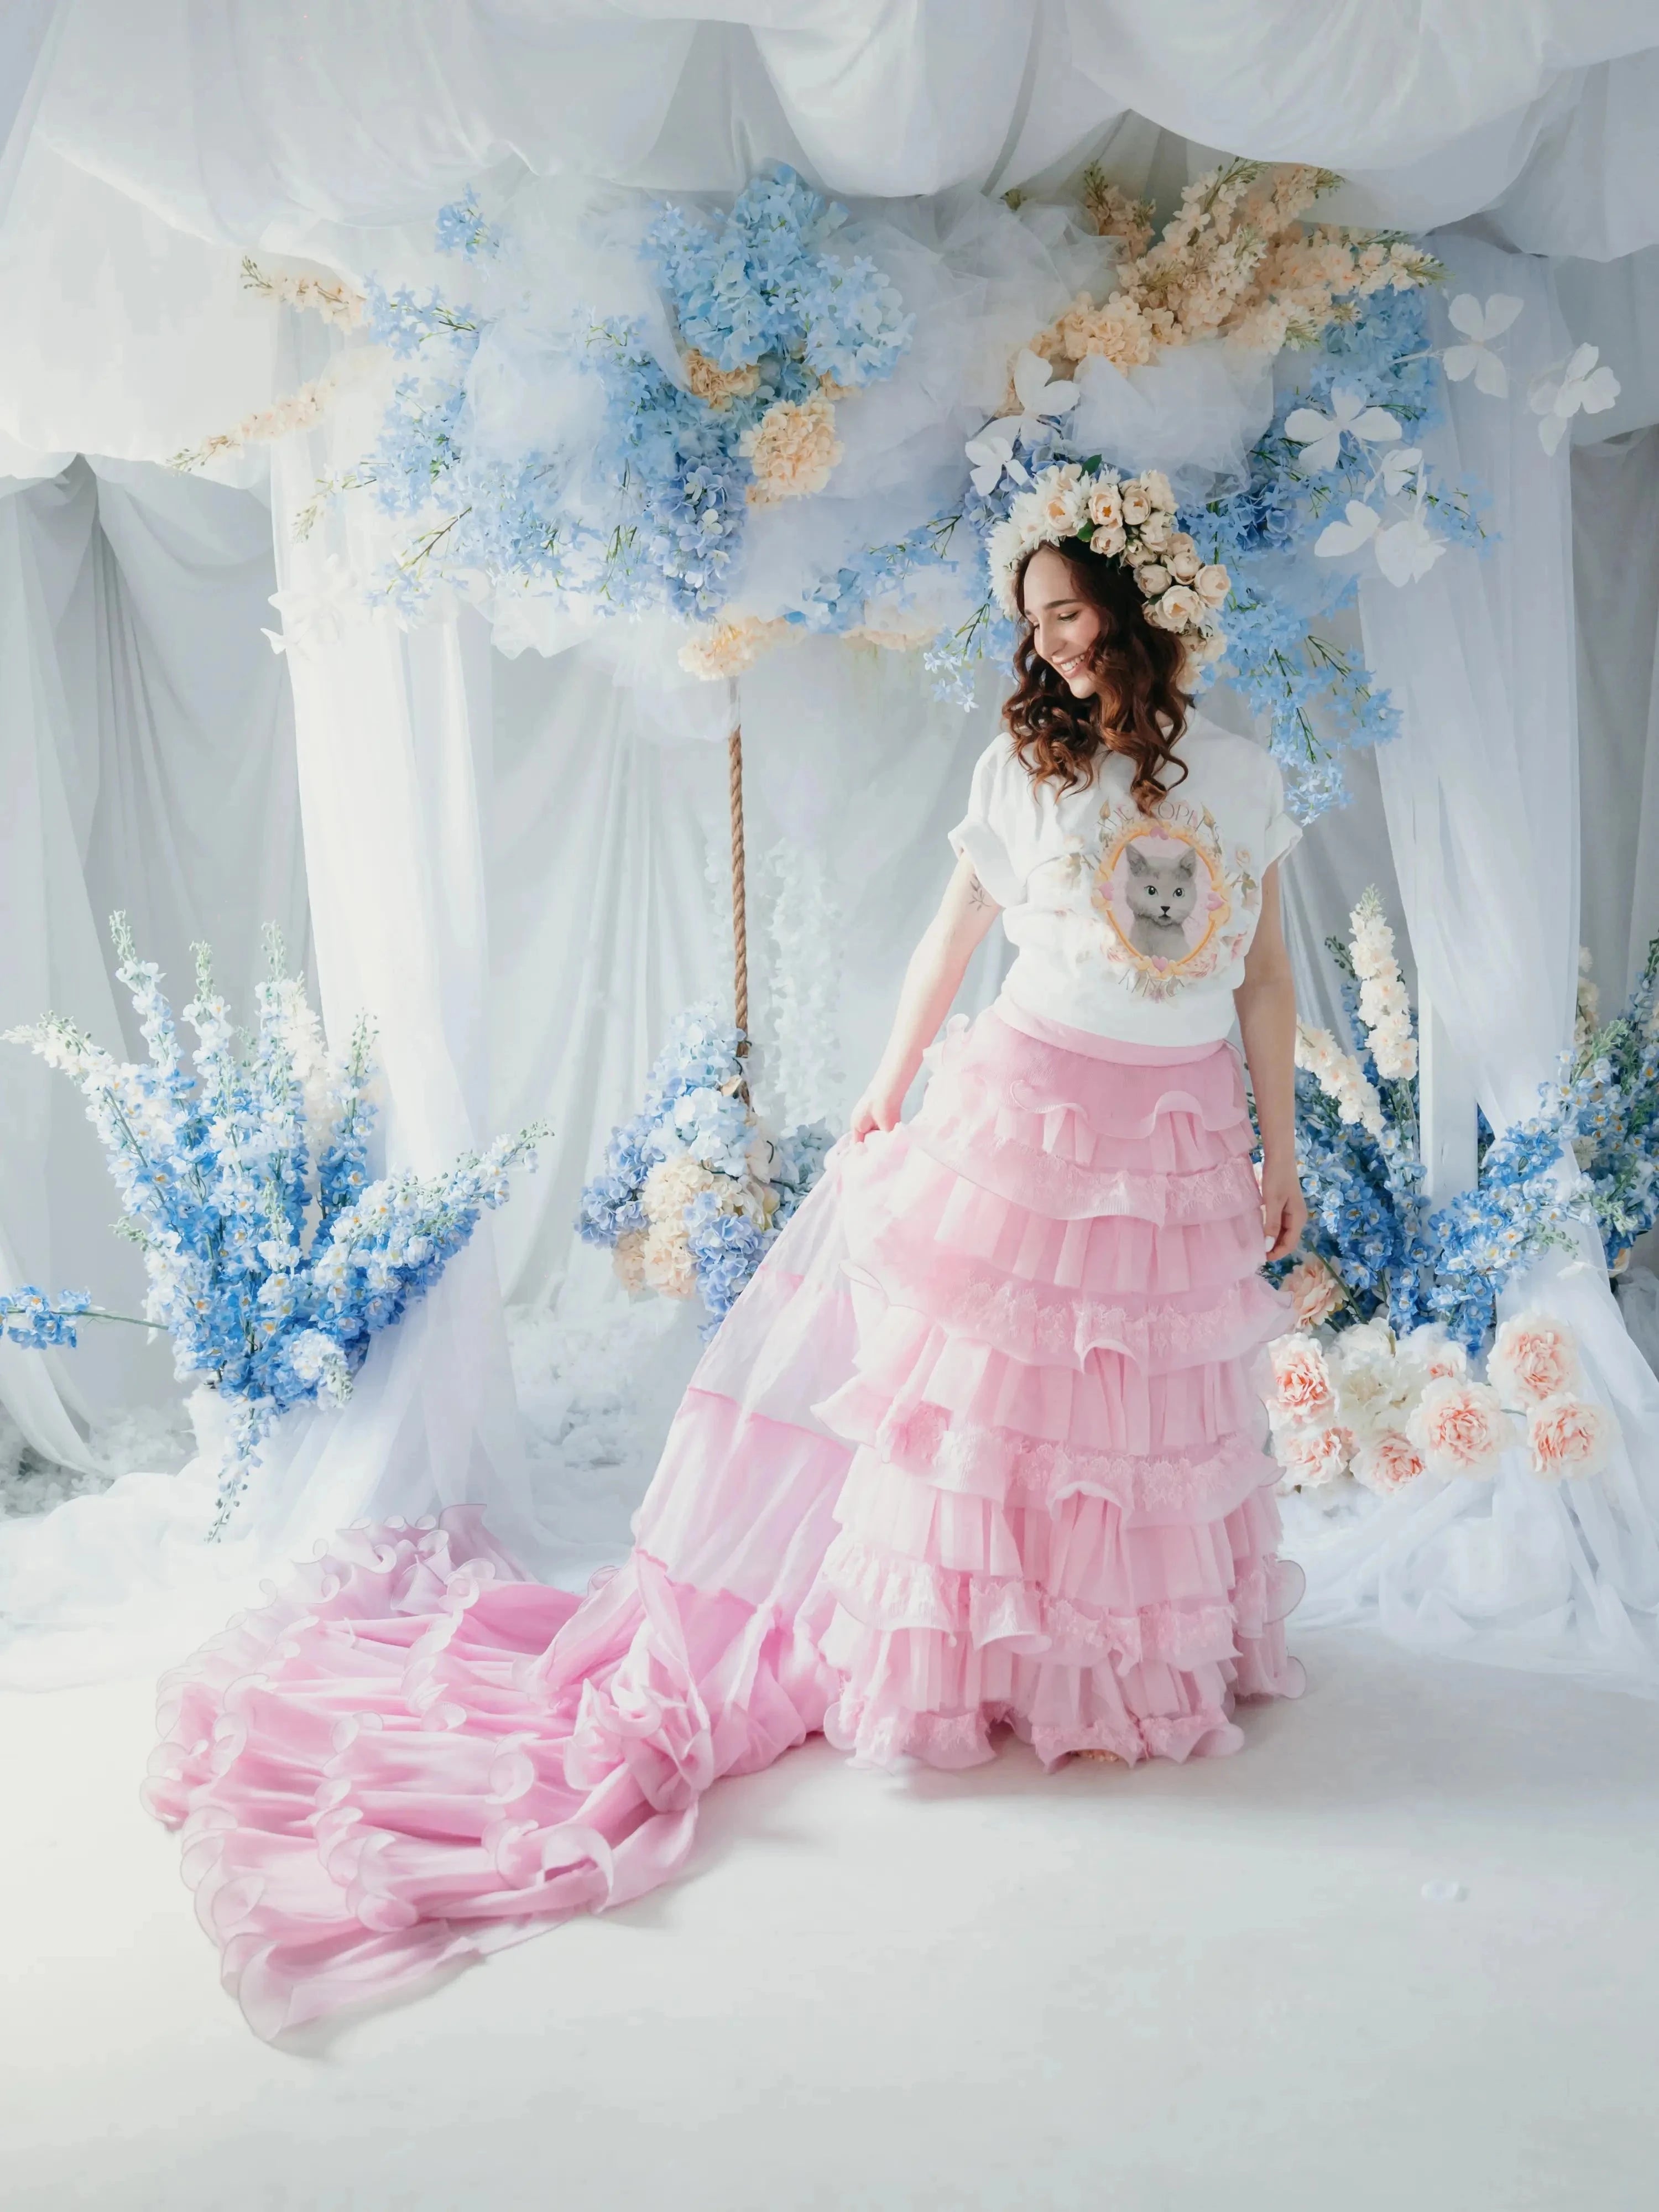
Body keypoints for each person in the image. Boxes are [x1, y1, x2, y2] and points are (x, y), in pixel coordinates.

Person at [144, 486, 1308, 2040]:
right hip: (1034, 1097)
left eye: (1070, 609)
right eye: (1030, 619)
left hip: (1166, 1130)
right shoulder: (1022, 766)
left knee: (1131, 1427)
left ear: (1136, 603)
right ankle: (989, 1665)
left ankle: (1113, 1659)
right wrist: (894, 1081)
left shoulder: (1236, 773)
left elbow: (1272, 978)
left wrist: (1276, 1147)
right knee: (998, 1402)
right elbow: (949, 943)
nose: (1050, 640)